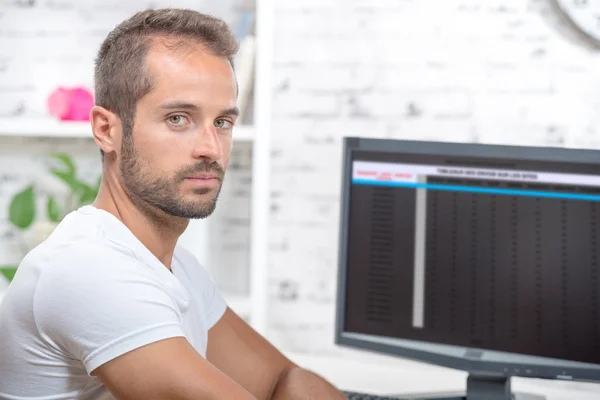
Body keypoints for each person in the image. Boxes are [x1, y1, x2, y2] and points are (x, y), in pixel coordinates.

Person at [0, 8, 346, 400]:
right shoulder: (88, 267)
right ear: (106, 130)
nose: (211, 149)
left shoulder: (175, 268)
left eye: (223, 122)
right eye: (179, 118)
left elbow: (286, 379)